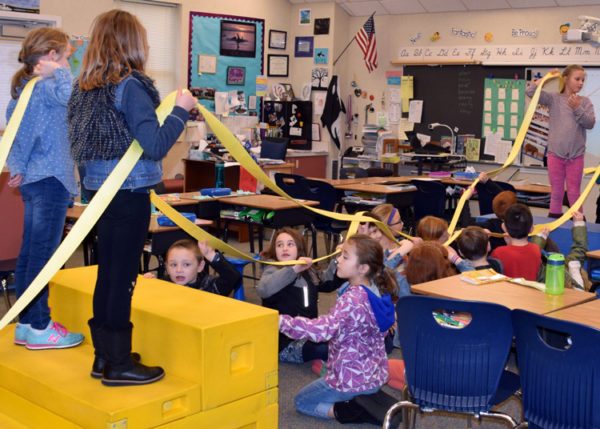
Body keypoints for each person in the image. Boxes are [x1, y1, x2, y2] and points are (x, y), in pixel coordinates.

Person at [67, 9, 197, 386]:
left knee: (108, 275)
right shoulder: (130, 86)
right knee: (122, 278)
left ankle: (104, 356)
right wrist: (180, 112)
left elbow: (83, 148)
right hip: (127, 195)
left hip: (99, 194)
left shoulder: (84, 88)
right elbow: (154, 145)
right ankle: (119, 362)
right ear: (131, 43)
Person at [7, 28, 84, 350]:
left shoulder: (25, 90)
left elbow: (19, 132)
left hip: (36, 181)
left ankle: (26, 322)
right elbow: (74, 100)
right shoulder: (49, 87)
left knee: (30, 253)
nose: (69, 62)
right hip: (50, 180)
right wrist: (62, 73)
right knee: (42, 256)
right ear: (51, 56)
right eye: (66, 56)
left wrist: (18, 167)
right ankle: (40, 325)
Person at [279, 235, 397, 420]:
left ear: (363, 268)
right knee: (324, 374)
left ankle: (352, 411)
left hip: (351, 380)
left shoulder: (353, 299)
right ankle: (365, 398)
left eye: (345, 257)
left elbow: (322, 330)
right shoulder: (376, 288)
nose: (338, 260)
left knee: (302, 401)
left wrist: (281, 322)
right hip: (375, 375)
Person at [257, 227, 343, 363]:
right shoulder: (271, 269)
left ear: (299, 247)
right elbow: (264, 289)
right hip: (284, 342)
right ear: (274, 250)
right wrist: (293, 270)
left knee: (342, 338)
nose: (285, 248)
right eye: (280, 245)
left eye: (290, 244)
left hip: (309, 332)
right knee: (324, 348)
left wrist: (338, 259)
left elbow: (327, 282)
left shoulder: (308, 271)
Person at [526, 65, 595, 218]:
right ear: (565, 79)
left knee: (574, 193)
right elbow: (530, 91)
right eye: (577, 79)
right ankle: (554, 228)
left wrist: (577, 108)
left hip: (575, 157)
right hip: (555, 155)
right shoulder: (554, 99)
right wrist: (546, 78)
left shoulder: (584, 102)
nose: (581, 83)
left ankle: (579, 225)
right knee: (556, 192)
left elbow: (590, 123)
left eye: (583, 80)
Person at [143, 239, 241, 296]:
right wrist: (151, 285)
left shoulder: (210, 286)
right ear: (166, 267)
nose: (179, 270)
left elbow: (233, 277)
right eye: (173, 265)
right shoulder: (165, 284)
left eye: (186, 264)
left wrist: (212, 256)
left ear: (200, 266)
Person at [531, 211, 590, 290]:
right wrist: (579, 223)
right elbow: (580, 248)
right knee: (574, 263)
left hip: (559, 286)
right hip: (570, 284)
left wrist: (539, 238)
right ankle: (578, 285)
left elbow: (533, 255)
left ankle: (577, 284)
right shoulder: (568, 264)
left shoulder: (542, 269)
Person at [490, 204, 542, 281]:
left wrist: (508, 245)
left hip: (507, 292)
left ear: (504, 227)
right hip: (531, 292)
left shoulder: (498, 252)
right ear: (531, 229)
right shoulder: (536, 249)